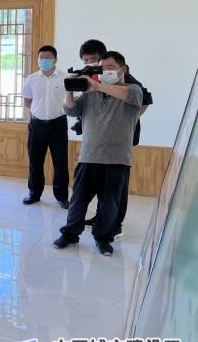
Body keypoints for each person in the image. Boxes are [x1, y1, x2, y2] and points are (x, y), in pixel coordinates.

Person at [54, 51, 143, 256]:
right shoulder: (90, 94)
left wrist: (97, 85)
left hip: (117, 160)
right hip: (88, 157)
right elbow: (71, 111)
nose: (105, 72)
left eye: (110, 68)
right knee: (78, 202)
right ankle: (70, 234)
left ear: (123, 69)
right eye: (102, 69)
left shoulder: (133, 90)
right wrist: (69, 90)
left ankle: (103, 238)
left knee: (109, 206)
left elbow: (130, 96)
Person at [76, 39, 152, 236]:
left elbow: (145, 99)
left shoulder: (123, 77)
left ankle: (114, 225)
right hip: (96, 141)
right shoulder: (90, 74)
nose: (90, 64)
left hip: (121, 139)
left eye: (94, 59)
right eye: (86, 60)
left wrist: (130, 120)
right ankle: (99, 218)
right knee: (97, 187)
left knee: (115, 189)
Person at [22, 45, 69, 208]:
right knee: (35, 162)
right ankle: (34, 193)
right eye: (41, 58)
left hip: (58, 124)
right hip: (37, 125)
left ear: (55, 59)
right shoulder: (31, 79)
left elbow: (72, 100)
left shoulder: (65, 78)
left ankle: (62, 197)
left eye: (47, 58)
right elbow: (28, 101)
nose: (44, 61)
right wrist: (39, 112)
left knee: (60, 163)